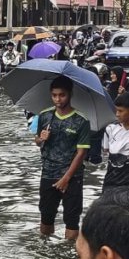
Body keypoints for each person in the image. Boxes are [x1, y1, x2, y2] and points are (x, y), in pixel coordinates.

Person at [34, 75, 91, 239]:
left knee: (72, 222)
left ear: (70, 94)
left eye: (62, 95)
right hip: (48, 173)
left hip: (73, 177)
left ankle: (70, 257)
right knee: (46, 218)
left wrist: (66, 178)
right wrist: (40, 138)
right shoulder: (45, 116)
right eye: (54, 95)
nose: (58, 99)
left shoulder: (81, 120)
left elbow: (81, 153)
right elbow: (38, 142)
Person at [101, 92, 129, 192]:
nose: (117, 114)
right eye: (116, 110)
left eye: (120, 111)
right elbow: (106, 154)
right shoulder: (110, 129)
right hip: (110, 183)